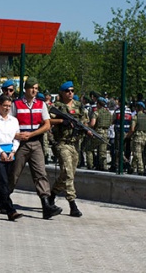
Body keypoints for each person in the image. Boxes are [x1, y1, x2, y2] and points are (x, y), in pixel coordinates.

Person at [0, 77, 63, 219]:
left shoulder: (41, 105)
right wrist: (16, 135)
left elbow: (46, 125)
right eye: (31, 88)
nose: (34, 90)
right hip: (20, 144)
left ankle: (46, 205)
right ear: (25, 89)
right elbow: (7, 121)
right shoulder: (16, 104)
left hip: (35, 143)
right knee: (14, 174)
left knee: (40, 173)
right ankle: (4, 199)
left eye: (36, 88)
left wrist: (33, 134)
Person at [49, 81, 88, 217]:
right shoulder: (57, 107)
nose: (70, 93)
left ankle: (52, 194)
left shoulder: (79, 106)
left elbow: (85, 121)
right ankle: (72, 204)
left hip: (74, 144)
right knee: (68, 172)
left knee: (66, 174)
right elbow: (47, 121)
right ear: (62, 93)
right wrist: (61, 121)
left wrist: (85, 129)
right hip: (62, 143)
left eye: (72, 90)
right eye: (67, 91)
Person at [0, 94, 23, 221]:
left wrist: (13, 151)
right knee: (3, 181)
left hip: (10, 153)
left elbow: (16, 138)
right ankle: (10, 209)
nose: (7, 108)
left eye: (9, 106)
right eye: (4, 106)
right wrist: (0, 152)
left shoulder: (14, 120)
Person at [126, 102, 146, 175]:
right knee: (137, 153)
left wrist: (128, 136)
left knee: (137, 154)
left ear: (137, 108)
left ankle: (141, 169)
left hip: (137, 137)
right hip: (144, 137)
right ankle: (132, 167)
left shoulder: (135, 117)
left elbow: (132, 129)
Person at [89, 97, 111, 171]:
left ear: (98, 104)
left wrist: (87, 125)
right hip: (106, 133)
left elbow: (92, 124)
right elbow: (110, 123)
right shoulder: (108, 113)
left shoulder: (96, 112)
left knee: (88, 149)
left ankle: (91, 165)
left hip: (97, 133)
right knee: (103, 151)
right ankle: (103, 166)